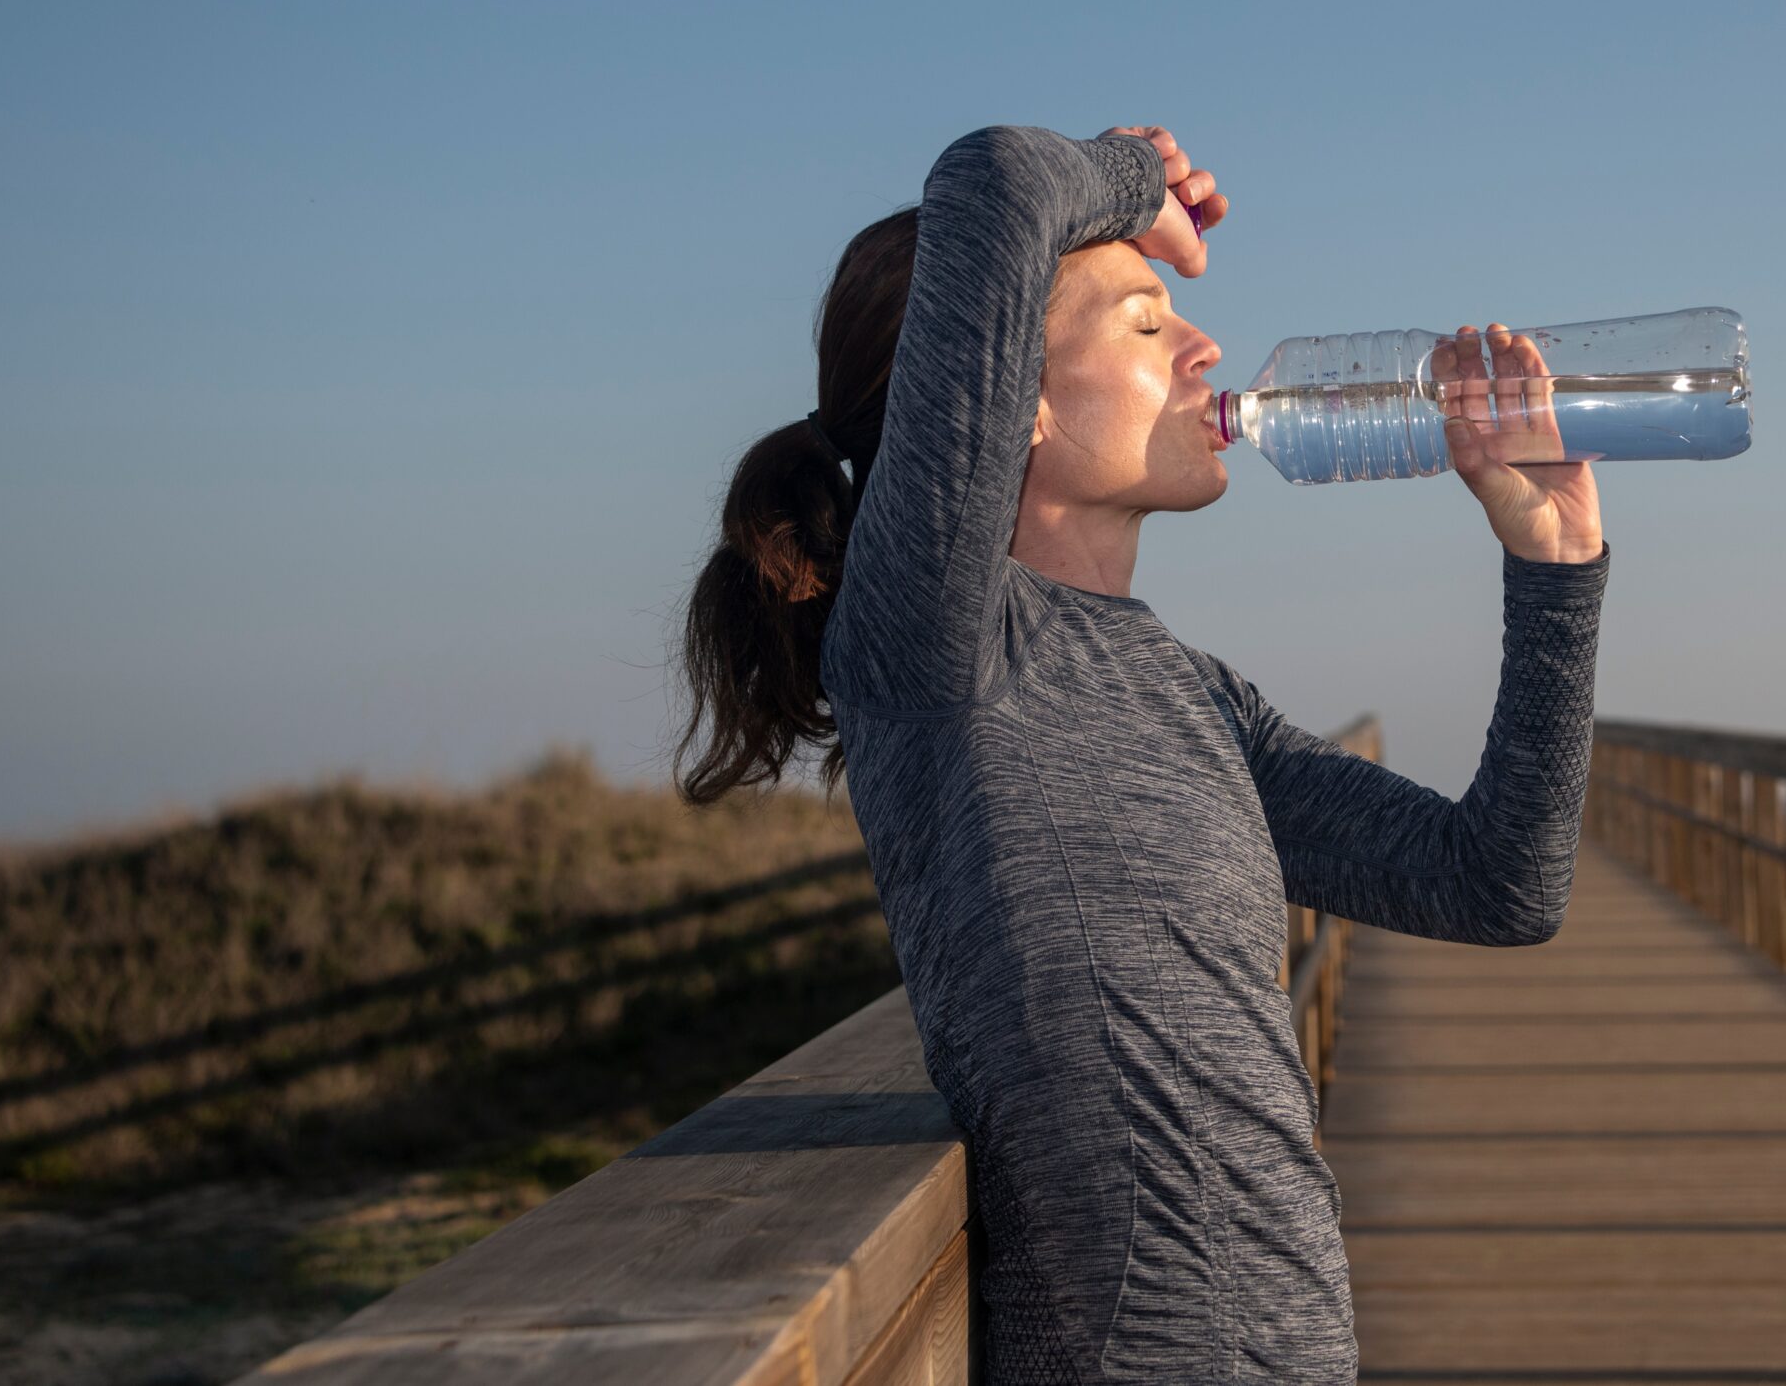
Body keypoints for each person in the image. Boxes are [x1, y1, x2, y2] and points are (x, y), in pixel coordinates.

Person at [674, 123, 1610, 1383]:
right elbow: (994, 180)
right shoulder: (936, 649)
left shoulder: (1189, 692)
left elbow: (1498, 883)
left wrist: (1552, 570)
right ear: (1009, 394)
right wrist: (1134, 179)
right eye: (1142, 321)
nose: (1205, 347)